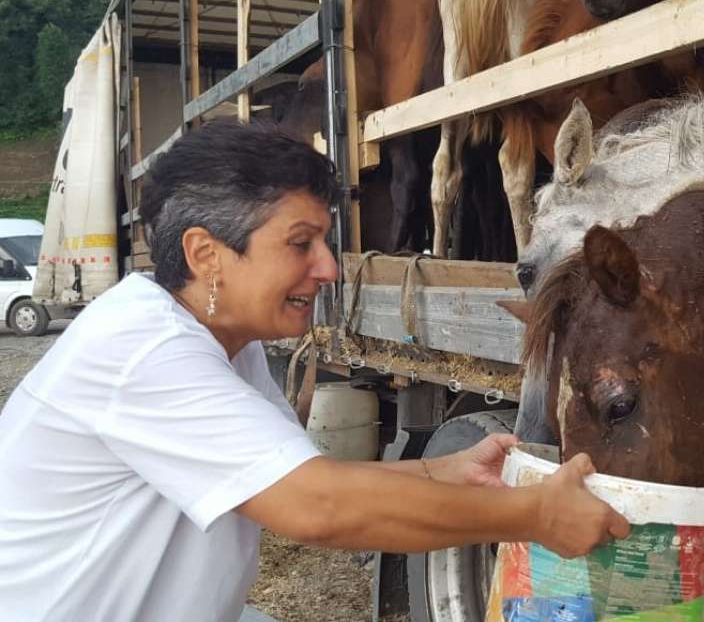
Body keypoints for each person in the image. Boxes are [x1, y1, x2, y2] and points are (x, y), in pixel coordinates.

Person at [0, 122, 628, 622]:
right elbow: (316, 509)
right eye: (300, 244)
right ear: (205, 254)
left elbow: (297, 479)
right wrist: (535, 516)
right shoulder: (145, 349)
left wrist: (446, 471)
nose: (329, 268)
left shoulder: (227, 341)